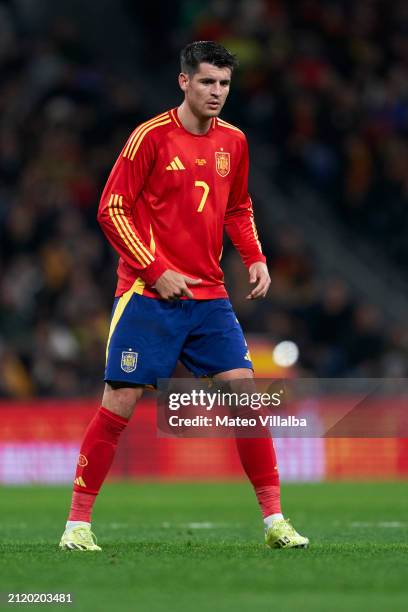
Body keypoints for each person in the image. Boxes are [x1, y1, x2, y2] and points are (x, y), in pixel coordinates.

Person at [59, 41, 308, 551]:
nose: (216, 92)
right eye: (207, 82)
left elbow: (238, 207)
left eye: (223, 84)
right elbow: (112, 209)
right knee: (120, 404)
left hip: (210, 296)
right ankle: (77, 524)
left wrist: (255, 257)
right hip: (147, 296)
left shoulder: (234, 141)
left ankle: (275, 521)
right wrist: (155, 269)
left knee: (247, 401)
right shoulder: (149, 138)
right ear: (183, 82)